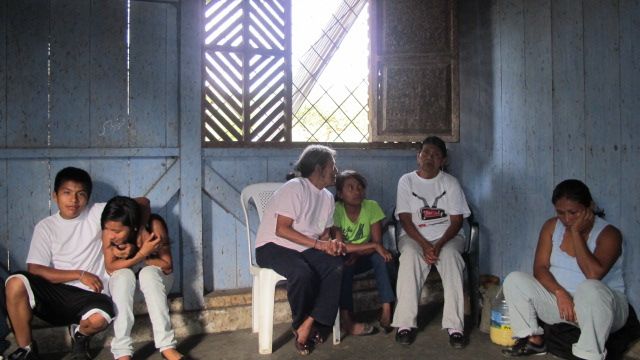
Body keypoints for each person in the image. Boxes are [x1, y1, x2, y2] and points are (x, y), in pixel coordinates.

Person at [502, 179, 628, 360]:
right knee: (515, 279)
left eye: (573, 213)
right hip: (564, 305)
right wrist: (560, 292)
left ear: (589, 207)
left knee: (590, 288)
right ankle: (535, 340)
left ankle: (588, 354)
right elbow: (540, 268)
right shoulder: (551, 226)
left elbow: (593, 274)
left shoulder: (609, 234)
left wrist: (576, 233)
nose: (567, 219)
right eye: (560, 213)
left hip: (602, 308)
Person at [4, 167, 118, 360]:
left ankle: (80, 335)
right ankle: (26, 349)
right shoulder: (46, 226)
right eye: (67, 193)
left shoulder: (98, 212)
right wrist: (79, 274)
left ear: (88, 198)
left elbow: (142, 203)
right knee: (15, 282)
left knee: (99, 320)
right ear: (55, 196)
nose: (73, 200)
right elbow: (35, 269)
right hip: (58, 295)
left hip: (92, 295)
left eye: (80, 194)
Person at [254, 144, 347, 355]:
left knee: (336, 267)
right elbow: (282, 230)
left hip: (303, 248)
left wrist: (330, 246)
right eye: (332, 166)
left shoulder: (327, 198)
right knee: (301, 272)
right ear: (318, 168)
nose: (336, 171)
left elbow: (322, 234)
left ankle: (310, 322)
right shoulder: (296, 187)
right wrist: (319, 245)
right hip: (272, 246)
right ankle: (300, 325)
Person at [391, 136, 471, 349]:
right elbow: (405, 219)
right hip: (414, 237)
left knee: (452, 258)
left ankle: (455, 327)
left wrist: (439, 244)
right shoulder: (406, 181)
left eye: (436, 155)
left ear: (443, 160)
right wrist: (425, 244)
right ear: (418, 157)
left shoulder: (450, 183)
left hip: (448, 237)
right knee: (408, 257)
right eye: (426, 153)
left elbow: (456, 220)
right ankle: (405, 325)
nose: (429, 158)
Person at [100, 196, 184, 360]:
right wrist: (141, 254)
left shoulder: (153, 226)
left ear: (132, 227)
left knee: (148, 273)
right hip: (126, 289)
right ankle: (122, 352)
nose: (111, 235)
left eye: (117, 231)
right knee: (123, 275)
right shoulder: (108, 233)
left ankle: (167, 346)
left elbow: (167, 265)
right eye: (107, 229)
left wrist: (140, 254)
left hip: (156, 284)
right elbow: (110, 268)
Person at [332, 170, 394, 335]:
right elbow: (340, 245)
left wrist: (359, 252)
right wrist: (365, 248)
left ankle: (387, 310)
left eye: (360, 187)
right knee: (343, 266)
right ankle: (347, 318)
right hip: (347, 257)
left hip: (365, 256)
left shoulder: (371, 206)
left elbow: (377, 243)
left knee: (382, 258)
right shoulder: (336, 210)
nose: (357, 191)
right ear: (340, 193)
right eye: (350, 188)